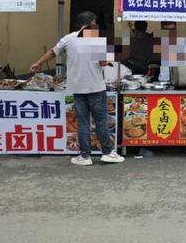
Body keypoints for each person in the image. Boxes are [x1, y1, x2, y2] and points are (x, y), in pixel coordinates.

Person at [30, 11, 124, 166]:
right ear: (92, 23)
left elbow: (52, 52)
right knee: (101, 121)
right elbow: (102, 62)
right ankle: (107, 153)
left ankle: (85, 156)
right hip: (95, 87)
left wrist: (38, 63)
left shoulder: (68, 38)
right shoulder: (95, 38)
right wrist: (107, 60)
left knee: (82, 122)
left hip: (77, 88)